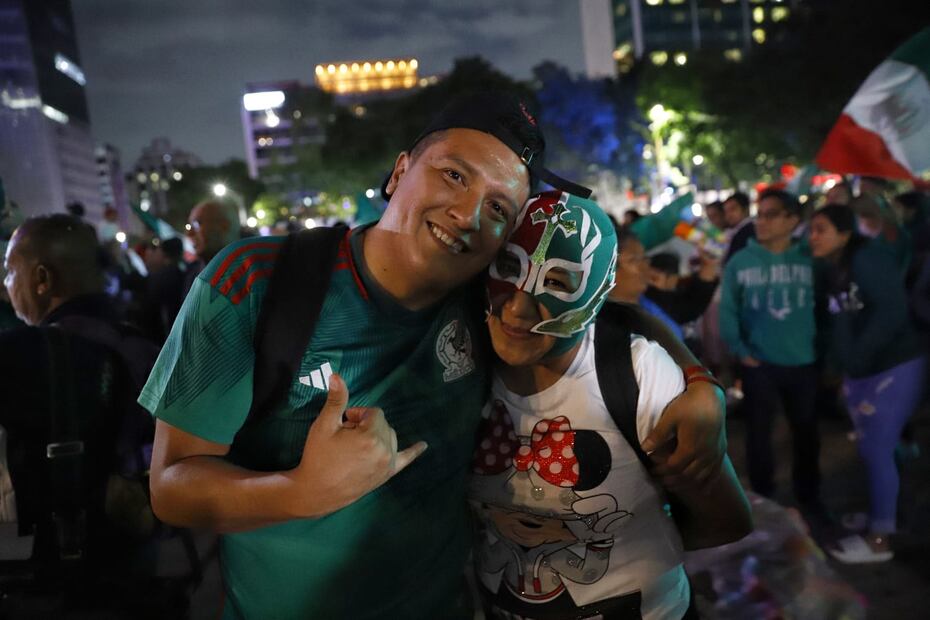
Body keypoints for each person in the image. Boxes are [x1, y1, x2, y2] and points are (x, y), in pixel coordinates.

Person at [142, 93, 728, 619]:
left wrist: (700, 383)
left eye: (499, 209)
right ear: (400, 172)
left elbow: (601, 313)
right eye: (453, 175)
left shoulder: (484, 296)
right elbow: (171, 487)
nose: (469, 214)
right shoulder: (257, 283)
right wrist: (300, 491)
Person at [472, 191, 751, 619]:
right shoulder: (461, 355)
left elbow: (724, 518)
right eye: (510, 267)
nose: (517, 307)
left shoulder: (637, 375)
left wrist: (631, 553)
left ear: (596, 297)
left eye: (558, 282)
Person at [0, 215, 161, 603]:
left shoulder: (21, 353)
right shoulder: (146, 344)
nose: (6, 286)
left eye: (9, 272)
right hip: (145, 555)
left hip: (53, 570)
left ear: (42, 279)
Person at [809, 205, 927, 564]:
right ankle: (888, 516)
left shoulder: (866, 260)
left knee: (877, 449)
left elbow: (892, 310)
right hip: (866, 369)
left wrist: (857, 357)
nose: (812, 237)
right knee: (877, 449)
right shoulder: (837, 265)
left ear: (844, 234)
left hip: (892, 365)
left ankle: (881, 540)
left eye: (820, 229)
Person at [719, 189, 823, 514]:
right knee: (759, 434)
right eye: (759, 214)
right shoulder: (741, 261)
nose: (761, 221)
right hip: (759, 363)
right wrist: (739, 349)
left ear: (793, 220)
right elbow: (728, 310)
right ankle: (764, 499)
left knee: (806, 431)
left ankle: (810, 495)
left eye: (771, 214)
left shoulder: (810, 258)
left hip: (805, 361)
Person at [183, 199, 240, 292]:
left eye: (197, 224)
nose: (189, 233)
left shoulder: (251, 273)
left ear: (224, 226)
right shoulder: (191, 275)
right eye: (189, 226)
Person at [722, 192, 755, 264]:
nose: (728, 215)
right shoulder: (733, 232)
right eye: (726, 211)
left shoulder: (749, 231)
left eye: (733, 209)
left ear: (746, 209)